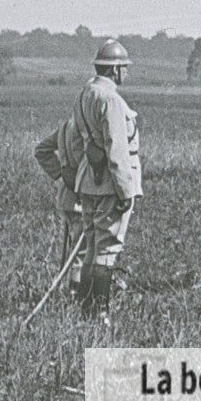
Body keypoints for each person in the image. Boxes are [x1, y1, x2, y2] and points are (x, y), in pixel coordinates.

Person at [72, 40, 142, 315]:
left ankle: (87, 310)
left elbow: (81, 143)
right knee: (107, 250)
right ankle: (99, 313)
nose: (126, 73)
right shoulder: (111, 99)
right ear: (115, 70)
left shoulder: (84, 94)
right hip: (110, 185)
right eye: (124, 68)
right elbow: (117, 150)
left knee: (91, 246)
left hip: (89, 181)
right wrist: (126, 191)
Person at [34, 109, 88, 298]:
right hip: (83, 199)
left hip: (67, 198)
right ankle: (75, 294)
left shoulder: (66, 127)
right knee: (81, 252)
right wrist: (63, 174)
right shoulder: (87, 130)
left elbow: (41, 150)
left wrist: (61, 173)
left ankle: (71, 290)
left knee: (75, 249)